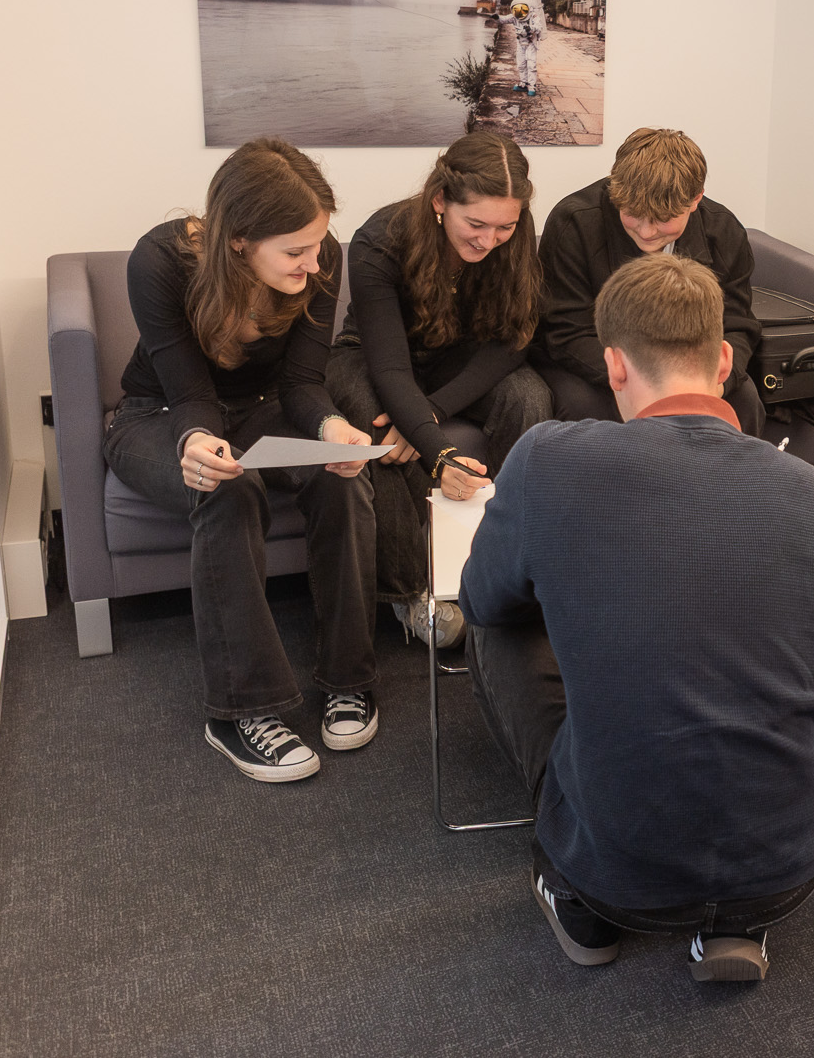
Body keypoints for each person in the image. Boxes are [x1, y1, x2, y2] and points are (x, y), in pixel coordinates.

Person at [462, 254, 814, 983]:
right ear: (725, 362)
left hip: (616, 872)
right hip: (791, 866)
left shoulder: (547, 458)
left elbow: (484, 600)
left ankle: (576, 896)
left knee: (495, 620)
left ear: (614, 365)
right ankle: (735, 920)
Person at [105, 138, 379, 784]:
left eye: (319, 244)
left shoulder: (320, 256)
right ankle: (240, 711)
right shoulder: (159, 261)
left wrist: (333, 427)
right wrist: (197, 442)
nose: (315, 263)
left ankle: (349, 678)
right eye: (296, 251)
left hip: (262, 408)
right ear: (238, 242)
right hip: (157, 413)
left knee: (341, 478)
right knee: (227, 487)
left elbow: (303, 383)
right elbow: (189, 394)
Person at [324, 131, 553, 651]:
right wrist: (436, 450)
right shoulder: (379, 240)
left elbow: (514, 341)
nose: (489, 240)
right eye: (475, 224)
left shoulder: (515, 235)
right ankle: (413, 594)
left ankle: (511, 565)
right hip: (373, 355)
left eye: (505, 227)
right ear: (440, 201)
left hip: (461, 357)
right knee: (372, 420)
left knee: (529, 397)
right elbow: (389, 368)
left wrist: (425, 415)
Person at [535, 127, 765, 433]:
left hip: (689, 368)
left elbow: (736, 326)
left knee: (744, 400)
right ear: (615, 191)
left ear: (695, 199)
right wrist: (647, 383)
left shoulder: (724, 232)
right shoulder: (573, 223)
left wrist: (711, 384)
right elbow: (566, 333)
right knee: (586, 406)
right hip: (597, 362)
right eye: (633, 213)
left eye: (663, 219)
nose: (646, 232)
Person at [498, 0, 544, 97]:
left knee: (531, 64)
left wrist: (531, 29)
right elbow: (504, 19)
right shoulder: (515, 17)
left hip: (531, 42)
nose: (520, 13)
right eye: (517, 11)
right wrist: (497, 18)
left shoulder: (533, 16)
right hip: (521, 42)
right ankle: (523, 83)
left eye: (522, 10)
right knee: (521, 64)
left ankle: (532, 85)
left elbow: (539, 27)